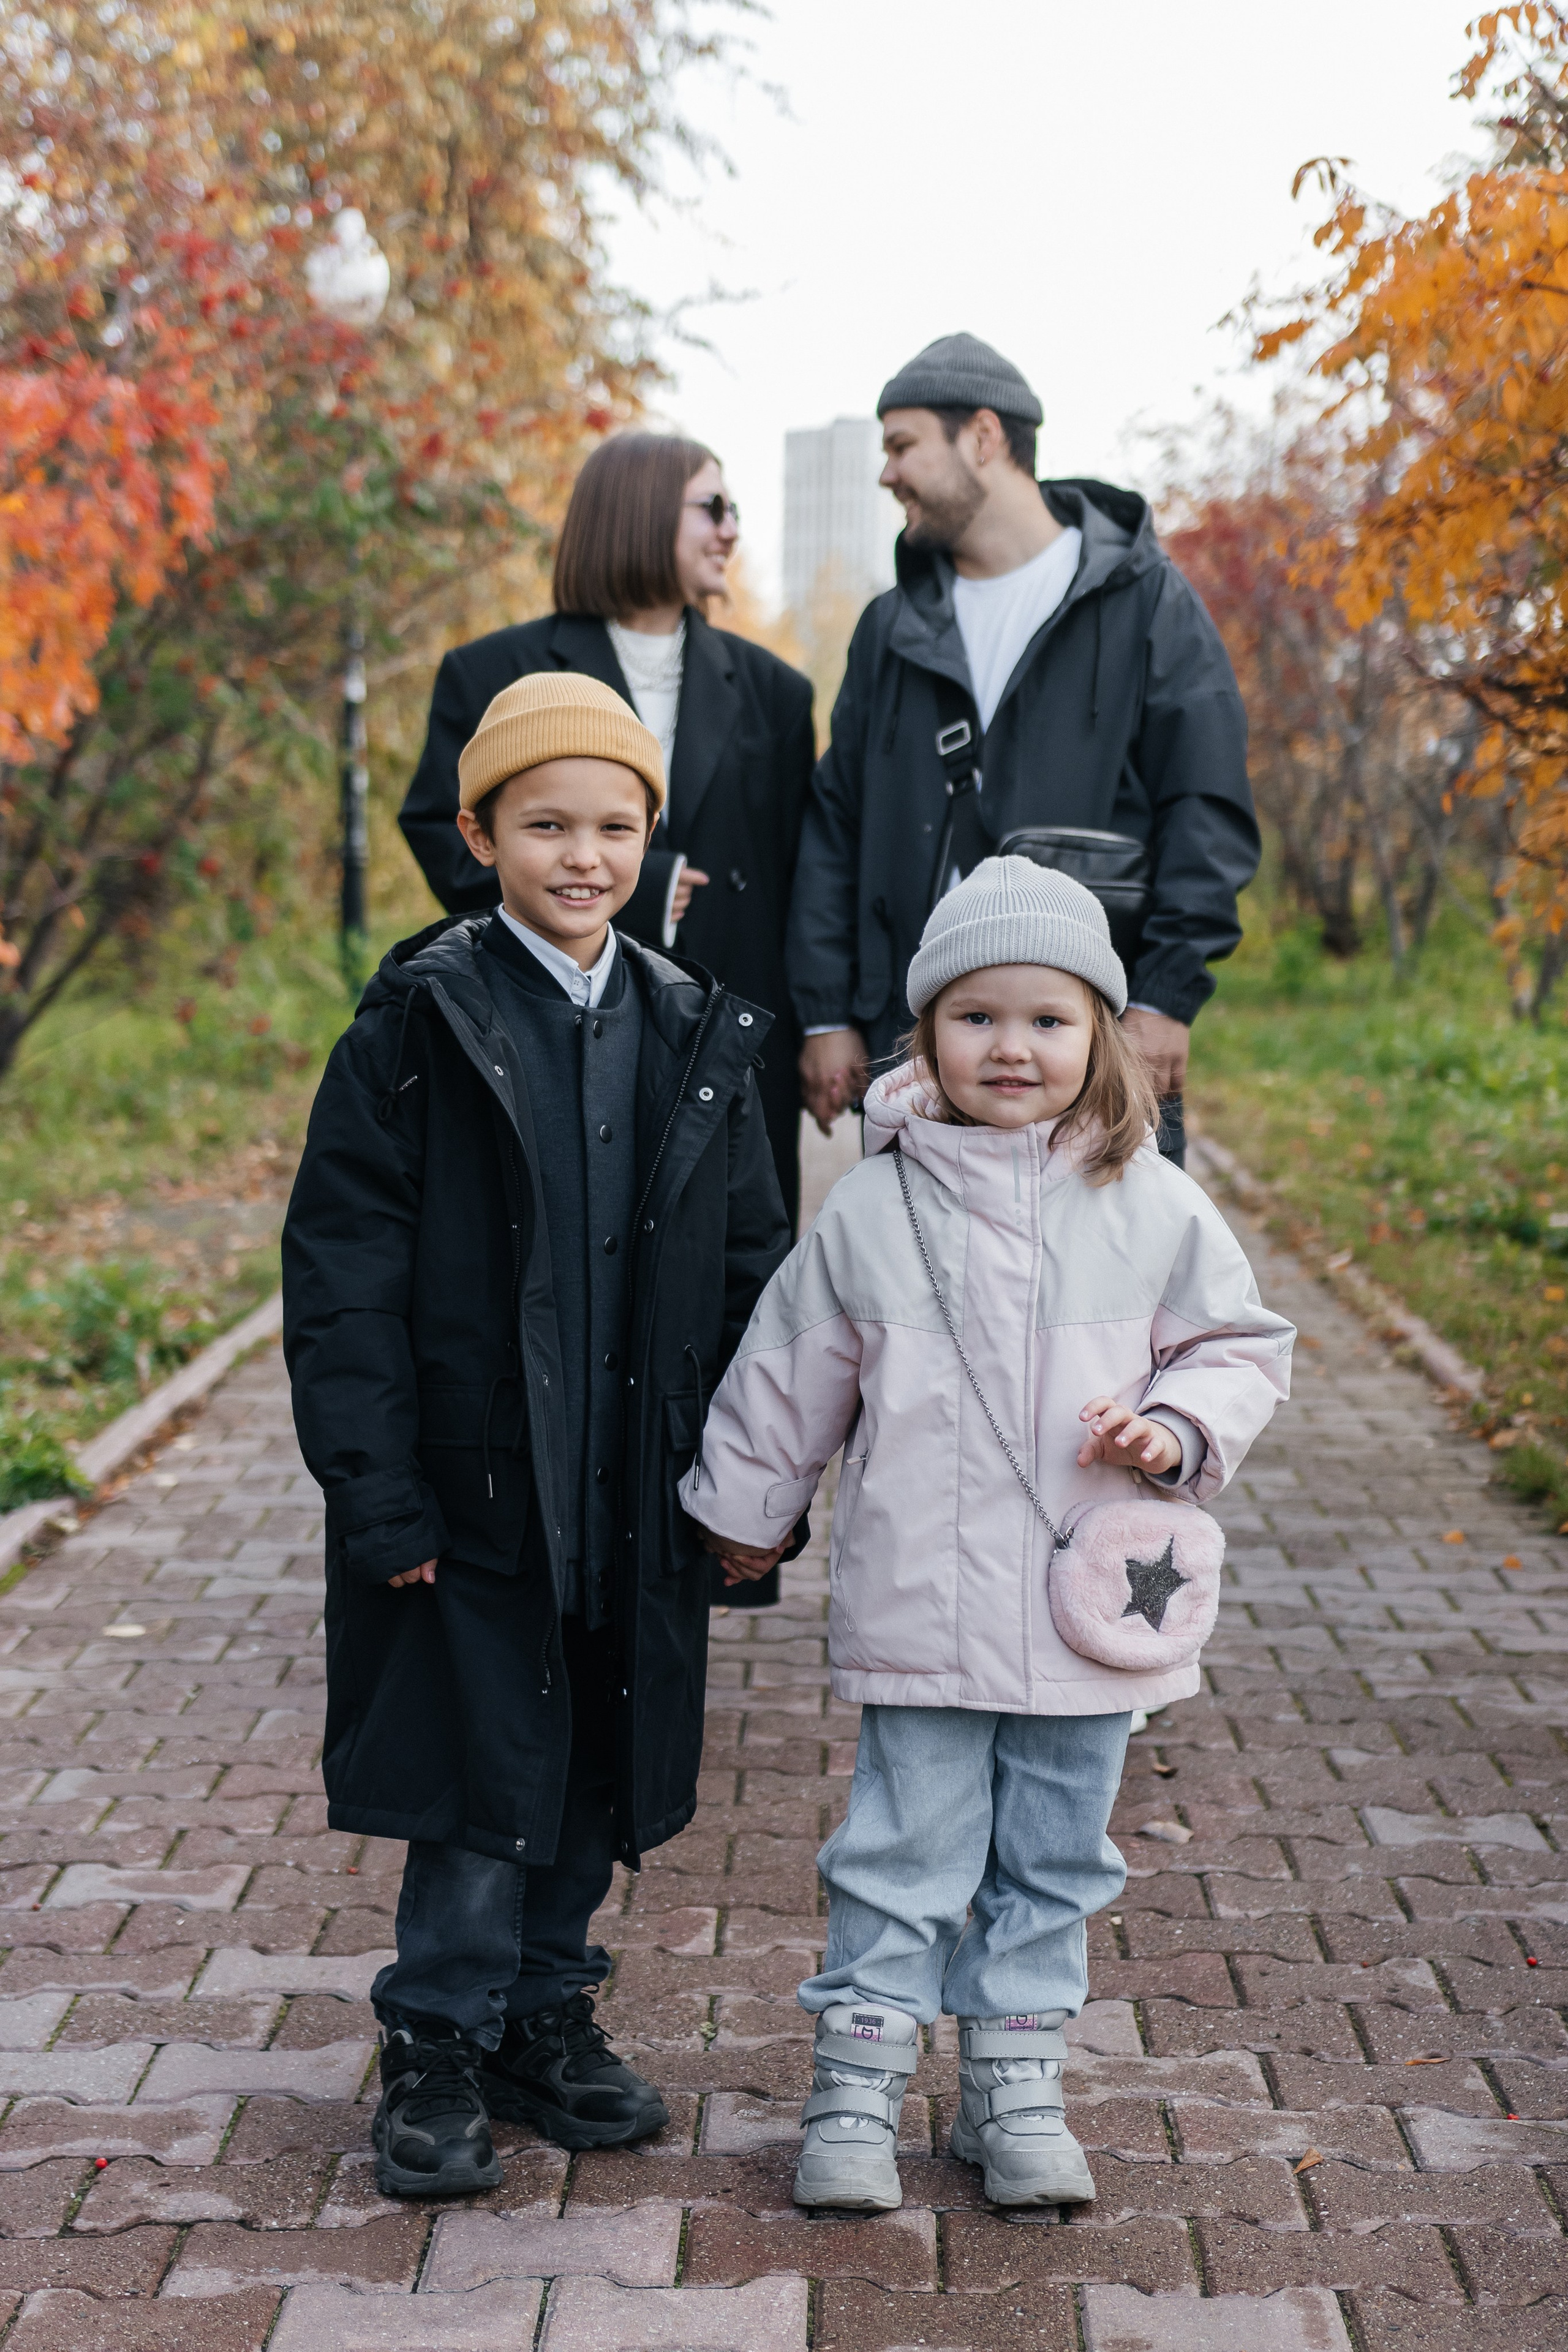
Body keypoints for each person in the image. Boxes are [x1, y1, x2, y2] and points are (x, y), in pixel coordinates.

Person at [680, 858, 1293, 2212]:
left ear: (1099, 1038)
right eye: (973, 1018)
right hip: (925, 1603)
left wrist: (1174, 1428)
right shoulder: (874, 1209)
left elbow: (1236, 1344)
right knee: (901, 1850)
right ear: (925, 1033)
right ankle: (855, 2086)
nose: (1009, 1048)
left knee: (1058, 1855)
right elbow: (788, 1368)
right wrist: (741, 1511)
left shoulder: (1150, 1205)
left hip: (1093, 1613)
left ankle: (1015, 2084)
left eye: (1045, 1020)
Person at [283, 673, 794, 2200]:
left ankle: (543, 2010)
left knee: (591, 1757)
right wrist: (379, 1496)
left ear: (655, 840)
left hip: (632, 1485)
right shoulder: (415, 1022)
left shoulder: (696, 1026)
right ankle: (435, 2033)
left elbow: (755, 1277)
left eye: (614, 825)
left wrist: (747, 1486)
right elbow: (344, 1275)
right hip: (473, 1482)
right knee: (469, 1773)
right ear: (478, 831)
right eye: (545, 824)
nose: (583, 854)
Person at [788, 333, 1261, 1168]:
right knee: (915, 1295)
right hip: (918, 1055)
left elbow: (1207, 808)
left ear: (982, 437)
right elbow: (836, 829)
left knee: (1108, 1292)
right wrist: (828, 1015)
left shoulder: (1148, 602)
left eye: (902, 446)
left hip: (1095, 1046)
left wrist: (1165, 996)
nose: (886, 472)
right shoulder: (888, 629)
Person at [398, 431, 815, 1231]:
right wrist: (630, 886)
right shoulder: (491, 673)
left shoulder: (778, 693)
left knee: (729, 1284)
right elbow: (440, 828)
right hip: (541, 1036)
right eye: (714, 507)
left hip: (728, 1044)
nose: (732, 530)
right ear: (640, 511)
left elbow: (803, 875)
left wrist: (824, 1028)